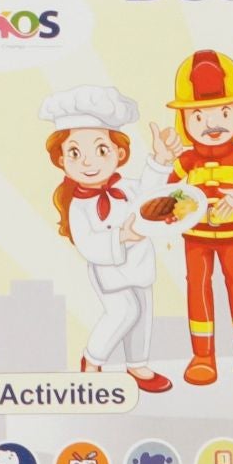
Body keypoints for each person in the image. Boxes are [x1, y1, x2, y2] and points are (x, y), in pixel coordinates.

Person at [135, 45, 233, 387]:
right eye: (198, 116)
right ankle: (203, 356)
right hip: (196, 237)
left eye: (224, 112)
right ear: (184, 120)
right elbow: (162, 190)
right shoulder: (186, 160)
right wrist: (161, 164)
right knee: (199, 290)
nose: (212, 124)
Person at [44, 79, 169, 390]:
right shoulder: (77, 205)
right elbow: (88, 244)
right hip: (108, 270)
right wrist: (121, 237)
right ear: (61, 159)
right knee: (125, 310)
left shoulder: (126, 187)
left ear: (119, 152)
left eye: (101, 150)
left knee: (143, 314)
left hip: (139, 263)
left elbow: (150, 196)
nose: (88, 162)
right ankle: (93, 358)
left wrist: (160, 160)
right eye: (75, 153)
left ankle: (137, 364)